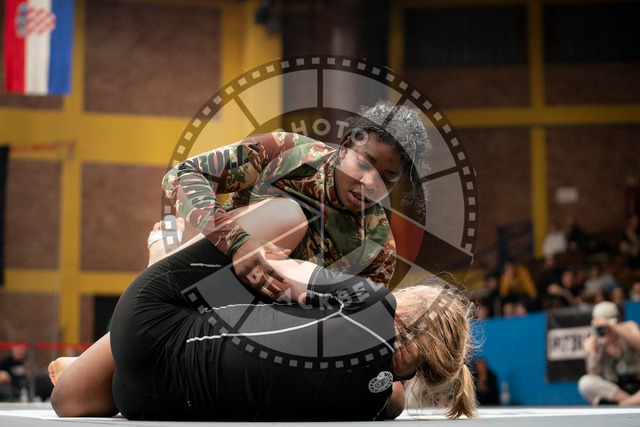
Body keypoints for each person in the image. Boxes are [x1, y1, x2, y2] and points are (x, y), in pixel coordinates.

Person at [50, 198, 477, 420]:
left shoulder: (376, 305)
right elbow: (392, 390)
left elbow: (269, 273)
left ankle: (161, 254)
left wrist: (289, 267)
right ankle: (112, 351)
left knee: (288, 218)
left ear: (413, 311)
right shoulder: (383, 403)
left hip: (151, 320)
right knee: (67, 400)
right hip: (151, 401)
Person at [162, 101, 430, 291]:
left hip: (267, 313)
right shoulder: (285, 153)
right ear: (345, 147)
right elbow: (182, 174)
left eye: (387, 179)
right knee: (289, 215)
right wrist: (237, 243)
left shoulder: (378, 248)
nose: (370, 183)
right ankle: (165, 254)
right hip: (214, 267)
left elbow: (356, 318)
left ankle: (163, 248)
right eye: (363, 164)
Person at [578, 301, 640, 405]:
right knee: (585, 383)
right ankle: (630, 402)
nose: (606, 329)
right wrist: (598, 352)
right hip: (616, 389)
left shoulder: (629, 327)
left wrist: (614, 327)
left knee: (597, 400)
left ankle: (624, 404)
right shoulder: (592, 342)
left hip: (637, 384)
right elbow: (593, 374)